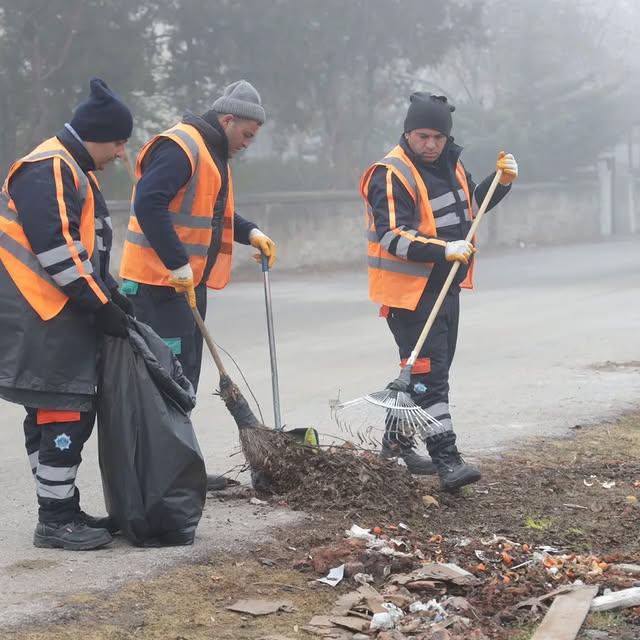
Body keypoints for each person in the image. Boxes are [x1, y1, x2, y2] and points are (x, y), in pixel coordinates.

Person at [0, 77, 134, 549]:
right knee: (63, 413)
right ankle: (55, 519)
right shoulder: (49, 167)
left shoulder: (72, 169)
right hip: (44, 311)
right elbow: (56, 250)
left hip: (50, 310)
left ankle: (61, 507)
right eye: (119, 141)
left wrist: (110, 292)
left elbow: (83, 248)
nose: (121, 153)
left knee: (51, 410)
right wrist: (98, 304)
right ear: (96, 134)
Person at [360, 92, 518, 491]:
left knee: (425, 370)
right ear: (408, 133)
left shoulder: (452, 165)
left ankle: (394, 446)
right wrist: (443, 249)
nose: (430, 144)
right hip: (409, 294)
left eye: (437, 137)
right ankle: (447, 461)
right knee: (431, 377)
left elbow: (470, 208)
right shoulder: (391, 173)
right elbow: (391, 236)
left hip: (444, 287)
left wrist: (500, 183)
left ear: (447, 138)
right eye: (422, 136)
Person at [118, 80, 276, 401]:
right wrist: (177, 262)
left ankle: (176, 448)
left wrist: (251, 233)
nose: (248, 144)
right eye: (246, 135)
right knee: (164, 381)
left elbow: (212, 214)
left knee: (184, 376)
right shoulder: (181, 147)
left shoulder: (212, 154)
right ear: (227, 120)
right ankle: (159, 450)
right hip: (156, 286)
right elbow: (149, 203)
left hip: (185, 284)